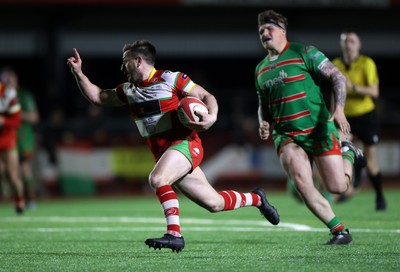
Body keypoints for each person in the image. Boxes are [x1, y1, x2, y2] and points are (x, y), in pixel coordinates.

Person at [67, 40, 279, 252]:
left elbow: (206, 96)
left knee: (157, 179)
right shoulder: (128, 90)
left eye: (125, 62)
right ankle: (256, 198)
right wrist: (79, 73)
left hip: (186, 145)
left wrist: (212, 117)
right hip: (166, 154)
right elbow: (97, 97)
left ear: (138, 60)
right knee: (214, 203)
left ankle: (174, 235)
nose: (122, 68)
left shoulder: (170, 78)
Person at [255, 10, 366, 245]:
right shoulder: (260, 69)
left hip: (318, 130)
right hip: (286, 135)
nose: (264, 33)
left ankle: (348, 151)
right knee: (301, 181)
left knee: (337, 187)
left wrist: (339, 110)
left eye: (269, 28)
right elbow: (262, 104)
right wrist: (263, 121)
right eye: (261, 30)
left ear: (282, 31)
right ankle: (339, 231)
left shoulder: (304, 52)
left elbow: (337, 76)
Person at [332, 30, 387, 211]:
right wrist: (333, 112)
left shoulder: (366, 63)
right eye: (345, 41)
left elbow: (374, 92)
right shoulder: (335, 64)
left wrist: (352, 87)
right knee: (339, 149)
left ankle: (379, 196)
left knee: (372, 162)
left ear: (359, 44)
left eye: (352, 41)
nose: (348, 44)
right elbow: (334, 92)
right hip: (345, 117)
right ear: (341, 44)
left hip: (366, 116)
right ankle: (349, 183)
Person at [0, 67, 25, 214]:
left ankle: (19, 200)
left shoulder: (10, 95)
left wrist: (3, 121)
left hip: (8, 139)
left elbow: (16, 122)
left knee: (13, 175)